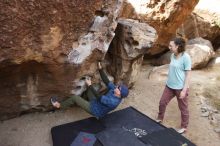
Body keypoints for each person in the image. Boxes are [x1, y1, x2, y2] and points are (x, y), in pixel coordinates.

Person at [50, 62, 129, 118]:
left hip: (95, 110)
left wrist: (90, 85)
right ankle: (82, 101)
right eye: (119, 86)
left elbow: (99, 97)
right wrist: (100, 69)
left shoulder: (113, 102)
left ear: (119, 94)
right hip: (97, 102)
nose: (117, 87)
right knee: (91, 89)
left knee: (75, 98)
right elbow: (107, 81)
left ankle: (59, 105)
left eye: (119, 88)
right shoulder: (115, 90)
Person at [156, 37, 191, 134]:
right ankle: (160, 118)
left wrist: (184, 90)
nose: (169, 47)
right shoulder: (172, 55)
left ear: (178, 46)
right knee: (162, 102)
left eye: (171, 46)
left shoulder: (186, 57)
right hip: (169, 86)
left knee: (183, 108)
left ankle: (184, 127)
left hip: (180, 88)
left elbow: (188, 75)